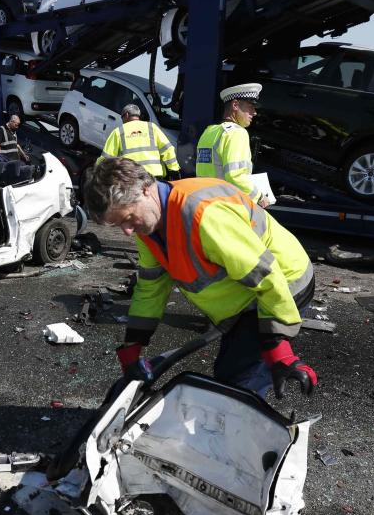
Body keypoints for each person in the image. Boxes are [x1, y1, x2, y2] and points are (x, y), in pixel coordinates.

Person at [84, 157, 317, 399]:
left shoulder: (202, 214)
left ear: (145, 190)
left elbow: (265, 276)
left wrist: (278, 348)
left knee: (236, 388)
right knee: (230, 377)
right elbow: (151, 287)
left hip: (283, 285)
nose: (128, 231)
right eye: (119, 225)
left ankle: (254, 430)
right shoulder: (149, 228)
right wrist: (133, 346)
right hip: (246, 298)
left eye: (128, 218)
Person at [195, 83, 268, 207]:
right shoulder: (237, 133)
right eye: (251, 106)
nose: (254, 112)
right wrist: (259, 196)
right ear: (235, 105)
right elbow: (235, 175)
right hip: (226, 205)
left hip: (205, 202)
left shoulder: (209, 131)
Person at [97, 104, 179, 180]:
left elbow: (106, 157)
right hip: (153, 177)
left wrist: (96, 170)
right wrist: (174, 169)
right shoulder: (152, 127)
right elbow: (167, 149)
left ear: (126, 115)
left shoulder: (118, 132)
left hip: (131, 179)